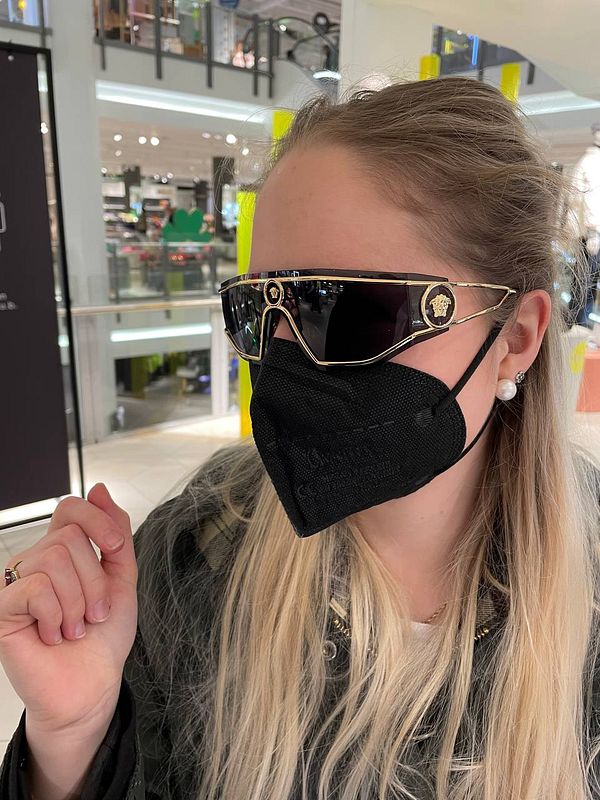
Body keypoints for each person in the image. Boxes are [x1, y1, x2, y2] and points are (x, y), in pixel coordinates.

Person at [2, 76, 600, 800]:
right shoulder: (196, 556)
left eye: (345, 311)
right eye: (259, 312)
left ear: (517, 338)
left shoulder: (590, 596)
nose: (286, 363)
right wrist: (72, 739)